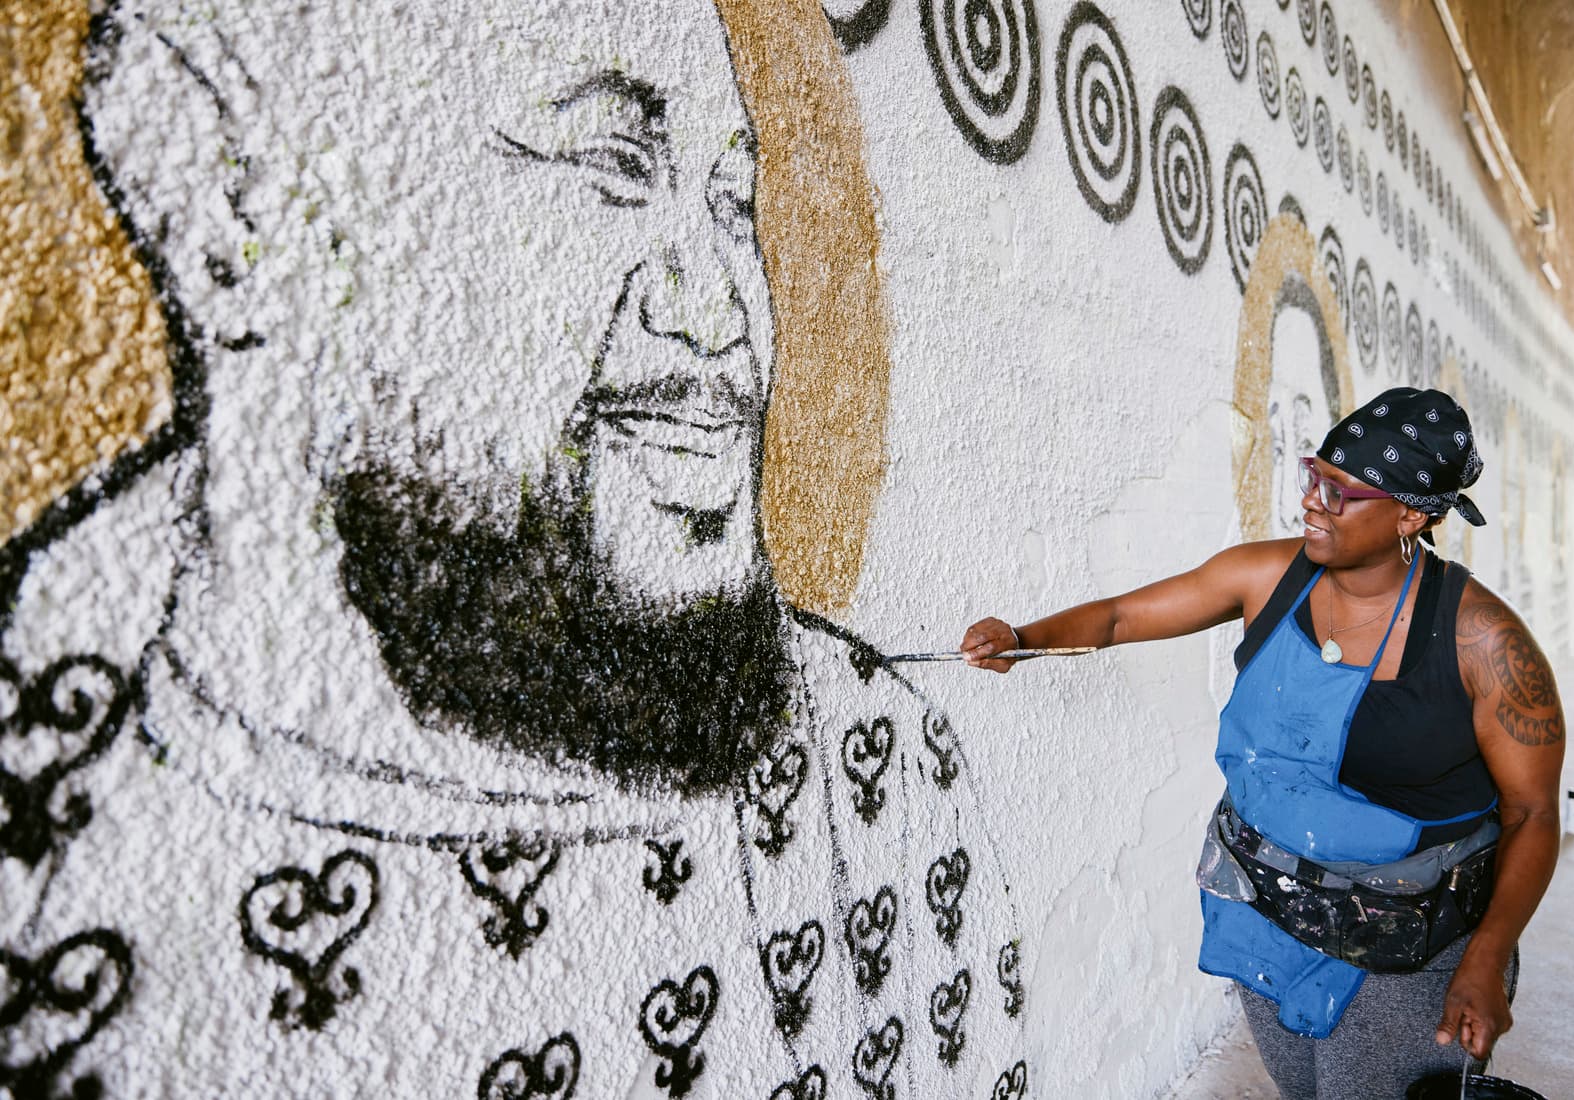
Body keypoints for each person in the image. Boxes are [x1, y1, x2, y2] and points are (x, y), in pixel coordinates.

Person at [0, 3, 1027, 1096]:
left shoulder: (879, 773)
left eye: (734, 204)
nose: (719, 314)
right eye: (610, 167)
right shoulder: (53, 836)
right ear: (220, 196)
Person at [962, 387, 1563, 1099]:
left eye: (1341, 493)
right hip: (1270, 907)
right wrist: (1023, 640)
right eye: (1314, 477)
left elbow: (1531, 813)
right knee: (1306, 1088)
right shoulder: (1266, 576)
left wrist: (1486, 960)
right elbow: (1123, 617)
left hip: (1408, 943)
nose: (1311, 502)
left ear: (1412, 513)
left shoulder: (1484, 643)